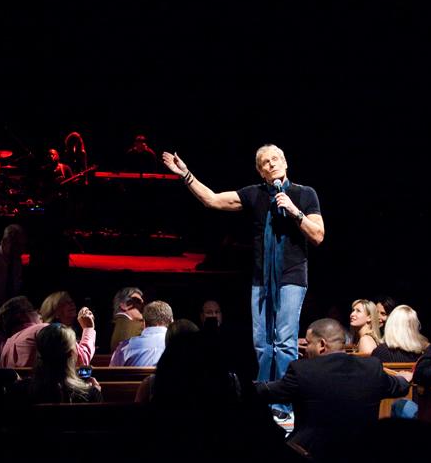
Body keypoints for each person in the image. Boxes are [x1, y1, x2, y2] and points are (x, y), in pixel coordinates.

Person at [162, 144, 325, 420]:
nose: (271, 164)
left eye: (275, 159)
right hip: (262, 279)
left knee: (285, 343)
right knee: (263, 345)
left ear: (285, 163)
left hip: (291, 276)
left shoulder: (304, 194)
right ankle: (263, 402)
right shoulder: (254, 194)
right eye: (265, 162)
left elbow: (318, 235)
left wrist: (294, 210)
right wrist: (186, 175)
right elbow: (213, 200)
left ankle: (284, 405)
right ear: (261, 172)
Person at [255, 318, 410, 461]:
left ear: (322, 345)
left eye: (308, 343)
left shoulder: (302, 370)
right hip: (362, 454)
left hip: (311, 454)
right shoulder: (372, 368)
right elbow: (401, 387)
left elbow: (266, 392)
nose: (305, 349)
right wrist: (404, 377)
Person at [109, 300, 173, 366]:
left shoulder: (124, 347)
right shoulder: (178, 346)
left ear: (144, 323)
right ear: (171, 322)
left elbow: (112, 370)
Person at [109, 286, 145, 352]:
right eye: (137, 301)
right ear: (123, 305)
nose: (142, 305)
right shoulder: (135, 325)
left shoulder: (115, 324)